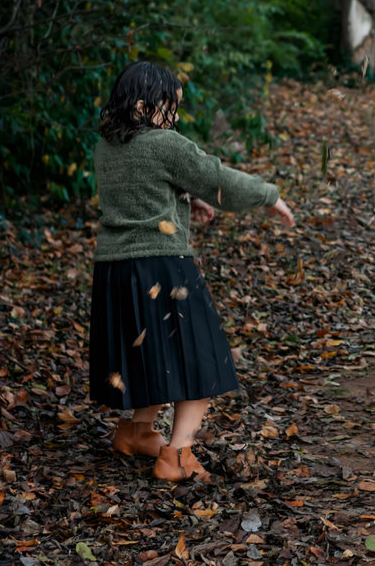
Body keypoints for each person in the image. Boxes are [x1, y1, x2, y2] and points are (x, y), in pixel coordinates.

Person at [90, 61, 295, 482]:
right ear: (145, 106)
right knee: (200, 360)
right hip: (162, 267)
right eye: (170, 106)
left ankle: (135, 432)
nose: (176, 116)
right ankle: (176, 455)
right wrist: (269, 196)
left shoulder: (107, 147)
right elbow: (217, 178)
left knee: (151, 357)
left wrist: (184, 199)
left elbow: (142, 190)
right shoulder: (166, 143)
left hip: (115, 271)